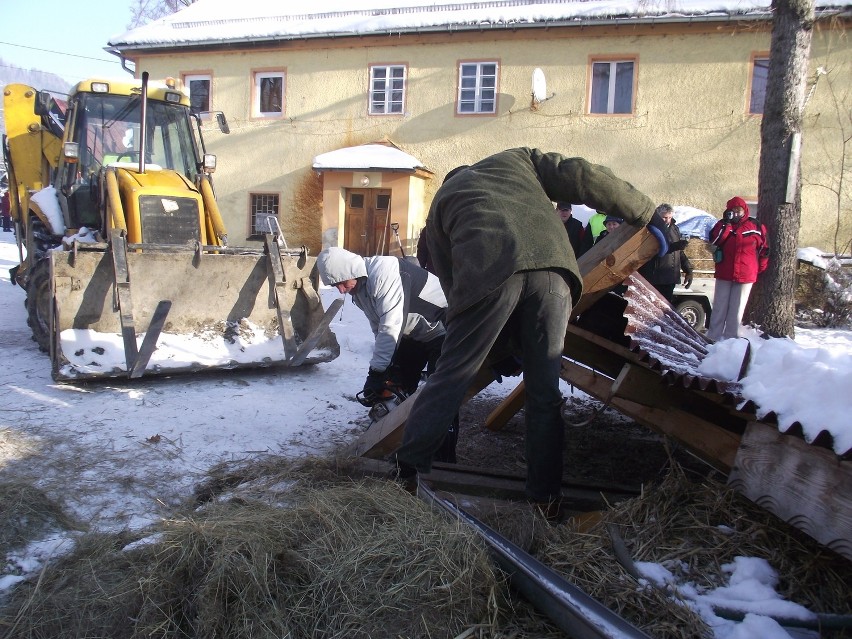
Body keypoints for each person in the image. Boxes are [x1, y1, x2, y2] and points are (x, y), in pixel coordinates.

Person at [392, 147, 664, 508]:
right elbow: (581, 174)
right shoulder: (517, 161)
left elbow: (452, 281)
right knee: (544, 393)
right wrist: (644, 212)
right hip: (555, 272)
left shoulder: (443, 200)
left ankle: (405, 474)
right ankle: (545, 499)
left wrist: (487, 340)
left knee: (451, 376)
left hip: (487, 275)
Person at [316, 246, 459, 461]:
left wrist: (376, 372)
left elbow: (391, 326)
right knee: (395, 387)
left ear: (351, 271)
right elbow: (378, 326)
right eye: (336, 286)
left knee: (440, 395)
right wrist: (384, 371)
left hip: (444, 329)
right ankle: (394, 444)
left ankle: (444, 463)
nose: (341, 290)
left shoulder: (386, 272)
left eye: (341, 283)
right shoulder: (360, 288)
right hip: (412, 333)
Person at [706, 196, 769, 342]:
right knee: (719, 307)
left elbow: (764, 249)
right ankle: (713, 337)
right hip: (725, 272)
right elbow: (715, 241)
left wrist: (759, 268)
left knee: (737, 308)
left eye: (738, 209)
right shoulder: (722, 224)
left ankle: (730, 338)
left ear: (744, 210)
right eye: (732, 210)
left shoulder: (756, 226)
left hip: (746, 274)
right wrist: (727, 224)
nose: (736, 212)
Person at [638, 203, 692, 303]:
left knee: (666, 309)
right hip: (654, 277)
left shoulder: (675, 229)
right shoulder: (650, 229)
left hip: (670, 277)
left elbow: (679, 253)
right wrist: (675, 246)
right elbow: (652, 250)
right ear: (658, 216)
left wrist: (688, 270)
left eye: (670, 217)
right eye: (664, 217)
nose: (667, 220)